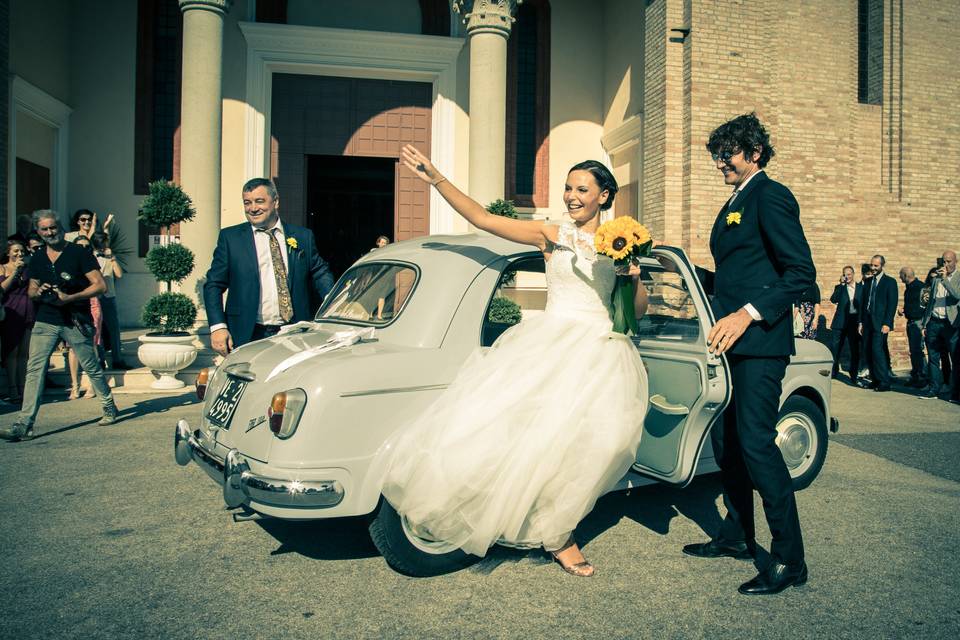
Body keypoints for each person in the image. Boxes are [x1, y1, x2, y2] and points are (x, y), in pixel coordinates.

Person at [377, 144, 649, 577]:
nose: (572, 196)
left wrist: (631, 277)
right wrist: (436, 178)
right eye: (567, 188)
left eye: (582, 188)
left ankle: (557, 524)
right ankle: (554, 534)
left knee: (602, 442)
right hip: (551, 344)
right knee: (528, 437)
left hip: (601, 350)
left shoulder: (621, 243)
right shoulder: (551, 234)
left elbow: (637, 310)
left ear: (604, 195)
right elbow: (485, 219)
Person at [681, 113, 815, 596]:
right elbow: (734, 277)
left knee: (757, 442)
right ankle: (738, 534)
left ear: (754, 152)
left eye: (728, 154)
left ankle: (789, 558)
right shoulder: (734, 202)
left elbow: (801, 276)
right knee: (728, 443)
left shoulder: (771, 196)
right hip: (728, 341)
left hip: (760, 343)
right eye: (717, 155)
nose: (721, 163)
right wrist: (676, 266)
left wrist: (745, 315)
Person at [0, 210, 118, 442]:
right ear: (39, 232)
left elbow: (100, 285)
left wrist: (71, 298)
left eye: (53, 227)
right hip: (46, 319)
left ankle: (108, 405)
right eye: (44, 229)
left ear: (60, 227)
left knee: (90, 366)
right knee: (34, 369)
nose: (50, 232)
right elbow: (32, 290)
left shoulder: (78, 253)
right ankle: (24, 424)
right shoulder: (38, 257)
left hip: (74, 319)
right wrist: (39, 291)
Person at [202, 178, 335, 356]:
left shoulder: (303, 236)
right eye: (247, 202)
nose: (253, 208)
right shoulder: (231, 238)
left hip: (294, 333)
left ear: (276, 202)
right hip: (248, 333)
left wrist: (334, 302)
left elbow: (319, 272)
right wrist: (218, 327)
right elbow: (213, 285)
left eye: (259, 201)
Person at [919, 250, 959, 402]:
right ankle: (934, 388)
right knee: (933, 358)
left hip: (951, 323)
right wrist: (925, 323)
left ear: (955, 261)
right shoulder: (936, 279)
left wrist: (945, 281)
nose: (945, 264)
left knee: (955, 358)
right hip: (934, 322)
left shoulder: (958, 277)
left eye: (949, 261)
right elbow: (931, 302)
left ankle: (955, 393)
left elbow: (957, 296)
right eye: (943, 261)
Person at [66, 236, 104, 399]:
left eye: (86, 246)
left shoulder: (92, 263)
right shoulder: (68, 264)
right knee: (72, 348)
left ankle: (91, 385)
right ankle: (74, 385)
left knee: (92, 345)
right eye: (79, 246)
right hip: (72, 306)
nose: (83, 249)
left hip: (92, 306)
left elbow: (101, 287)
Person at [1, 240, 36, 402]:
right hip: (11, 311)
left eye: (22, 251)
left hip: (27, 310)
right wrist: (15, 272)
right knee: (12, 351)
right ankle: (12, 389)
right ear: (8, 253)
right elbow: (2, 289)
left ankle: (23, 388)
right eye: (15, 251)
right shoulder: (2, 267)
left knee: (24, 353)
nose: (19, 254)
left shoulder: (28, 269)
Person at [858, 254, 898, 392]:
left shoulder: (890, 282)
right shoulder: (868, 282)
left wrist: (887, 323)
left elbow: (892, 304)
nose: (873, 268)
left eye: (876, 266)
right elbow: (863, 304)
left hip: (881, 323)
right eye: (872, 265)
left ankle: (884, 381)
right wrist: (861, 322)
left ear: (882, 265)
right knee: (867, 350)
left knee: (877, 350)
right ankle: (875, 379)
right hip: (868, 321)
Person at [91, 231, 130, 369]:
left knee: (114, 329)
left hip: (109, 297)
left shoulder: (110, 258)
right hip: (95, 297)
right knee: (97, 330)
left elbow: (119, 274)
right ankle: (100, 360)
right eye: (101, 242)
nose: (104, 245)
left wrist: (113, 258)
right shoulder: (90, 257)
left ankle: (117, 359)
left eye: (105, 242)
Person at [829, 266, 861, 382]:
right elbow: (833, 299)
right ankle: (834, 371)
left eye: (849, 274)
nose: (847, 276)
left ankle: (854, 373)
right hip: (840, 322)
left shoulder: (861, 288)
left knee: (854, 349)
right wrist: (842, 285)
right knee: (835, 347)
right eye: (844, 274)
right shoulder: (840, 287)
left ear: (853, 274)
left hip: (854, 322)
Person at [898, 266, 927, 387]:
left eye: (901, 276)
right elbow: (913, 304)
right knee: (913, 351)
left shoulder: (921, 287)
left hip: (918, 322)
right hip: (911, 321)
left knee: (917, 351)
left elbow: (924, 306)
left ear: (906, 276)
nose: (900, 279)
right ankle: (916, 375)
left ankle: (922, 377)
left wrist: (924, 325)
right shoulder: (908, 288)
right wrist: (905, 310)